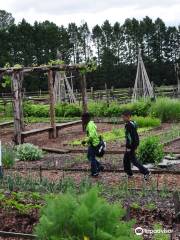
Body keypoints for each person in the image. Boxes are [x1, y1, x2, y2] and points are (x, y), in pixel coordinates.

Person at [122, 110, 151, 181]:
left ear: (128, 117)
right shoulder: (132, 123)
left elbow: (130, 137)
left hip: (131, 146)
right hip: (134, 144)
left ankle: (146, 172)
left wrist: (128, 146)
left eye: (123, 117)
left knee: (134, 161)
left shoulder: (128, 125)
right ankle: (129, 174)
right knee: (126, 160)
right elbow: (133, 136)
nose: (122, 118)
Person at [81, 112, 104, 177]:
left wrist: (85, 141)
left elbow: (92, 135)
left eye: (82, 119)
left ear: (86, 119)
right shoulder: (89, 124)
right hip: (93, 143)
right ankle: (99, 166)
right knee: (89, 156)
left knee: (91, 157)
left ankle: (95, 172)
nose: (82, 121)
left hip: (94, 144)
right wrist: (86, 141)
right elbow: (90, 135)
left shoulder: (90, 125)